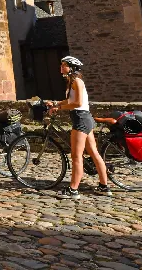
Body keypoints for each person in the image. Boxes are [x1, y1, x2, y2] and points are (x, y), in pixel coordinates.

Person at [48, 56, 112, 199]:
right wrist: (57, 103)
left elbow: (77, 103)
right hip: (84, 118)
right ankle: (104, 186)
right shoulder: (73, 82)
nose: (61, 67)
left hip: (81, 119)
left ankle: (73, 190)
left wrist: (60, 108)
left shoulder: (77, 81)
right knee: (94, 153)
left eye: (64, 65)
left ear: (71, 67)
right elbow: (71, 100)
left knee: (76, 156)